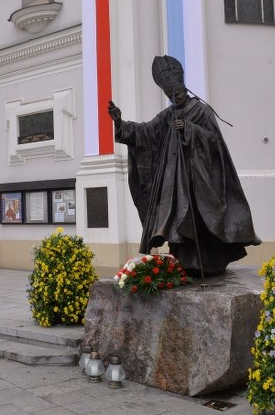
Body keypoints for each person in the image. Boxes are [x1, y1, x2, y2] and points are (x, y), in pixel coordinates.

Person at [107, 55, 260, 276]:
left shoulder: (200, 111)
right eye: (170, 95)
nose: (174, 97)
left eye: (177, 93)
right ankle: (187, 261)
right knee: (178, 220)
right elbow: (146, 132)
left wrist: (189, 128)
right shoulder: (168, 115)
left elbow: (215, 140)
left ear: (184, 87)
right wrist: (120, 123)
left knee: (201, 220)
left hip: (200, 179)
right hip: (176, 182)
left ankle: (209, 262)